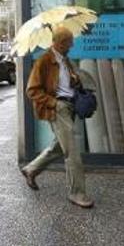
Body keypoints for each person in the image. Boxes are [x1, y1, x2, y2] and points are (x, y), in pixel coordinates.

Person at [20, 26, 94, 209]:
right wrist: (54, 103)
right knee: (72, 151)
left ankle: (31, 169)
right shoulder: (44, 61)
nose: (72, 45)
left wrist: (74, 79)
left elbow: (64, 83)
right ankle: (77, 193)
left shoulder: (64, 59)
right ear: (60, 43)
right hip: (58, 108)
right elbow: (32, 90)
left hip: (70, 107)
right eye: (69, 42)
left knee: (59, 146)